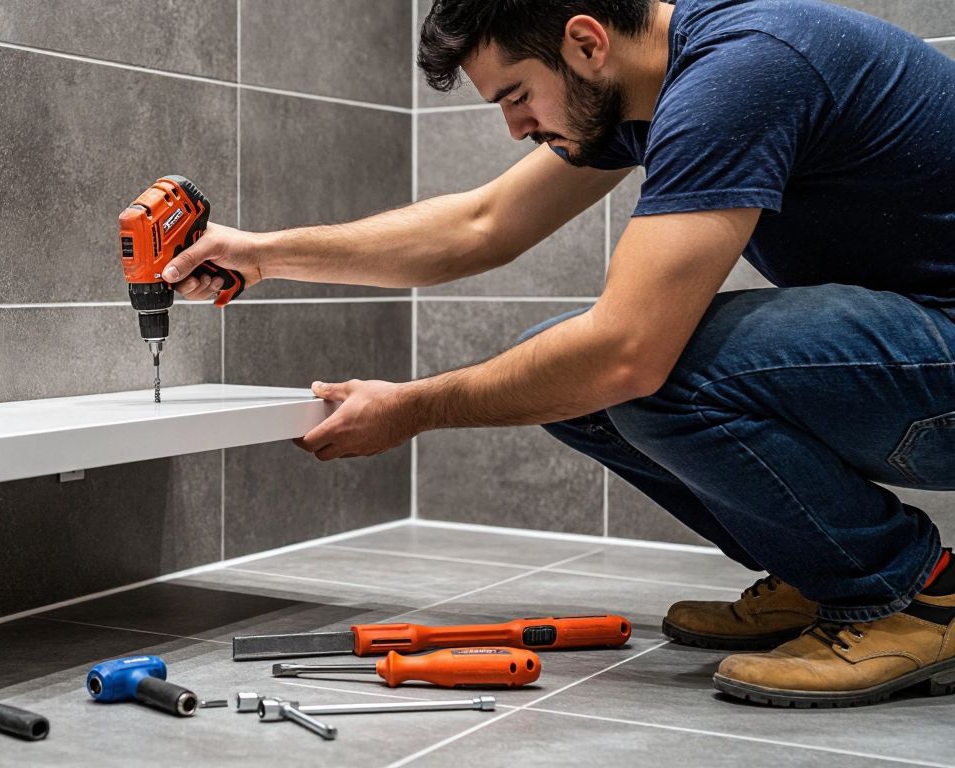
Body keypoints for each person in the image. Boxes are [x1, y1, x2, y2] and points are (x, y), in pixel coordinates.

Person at [161, 0, 955, 707]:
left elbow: (626, 355)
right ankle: (826, 575)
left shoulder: (740, 74)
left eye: (515, 94)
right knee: (565, 370)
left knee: (637, 369)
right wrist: (262, 253)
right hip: (925, 342)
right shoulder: (654, 86)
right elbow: (480, 226)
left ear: (585, 42)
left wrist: (413, 407)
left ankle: (909, 595)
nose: (515, 128)